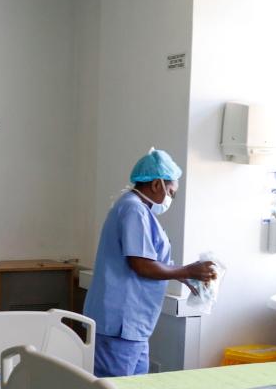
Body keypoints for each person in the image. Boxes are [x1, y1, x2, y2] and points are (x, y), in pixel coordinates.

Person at [83, 148, 218, 377]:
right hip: (120, 323)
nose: (170, 199)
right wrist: (186, 270)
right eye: (171, 193)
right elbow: (142, 265)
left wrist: (184, 274)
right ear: (157, 185)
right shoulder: (133, 209)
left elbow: (150, 260)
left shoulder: (139, 210)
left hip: (133, 325)